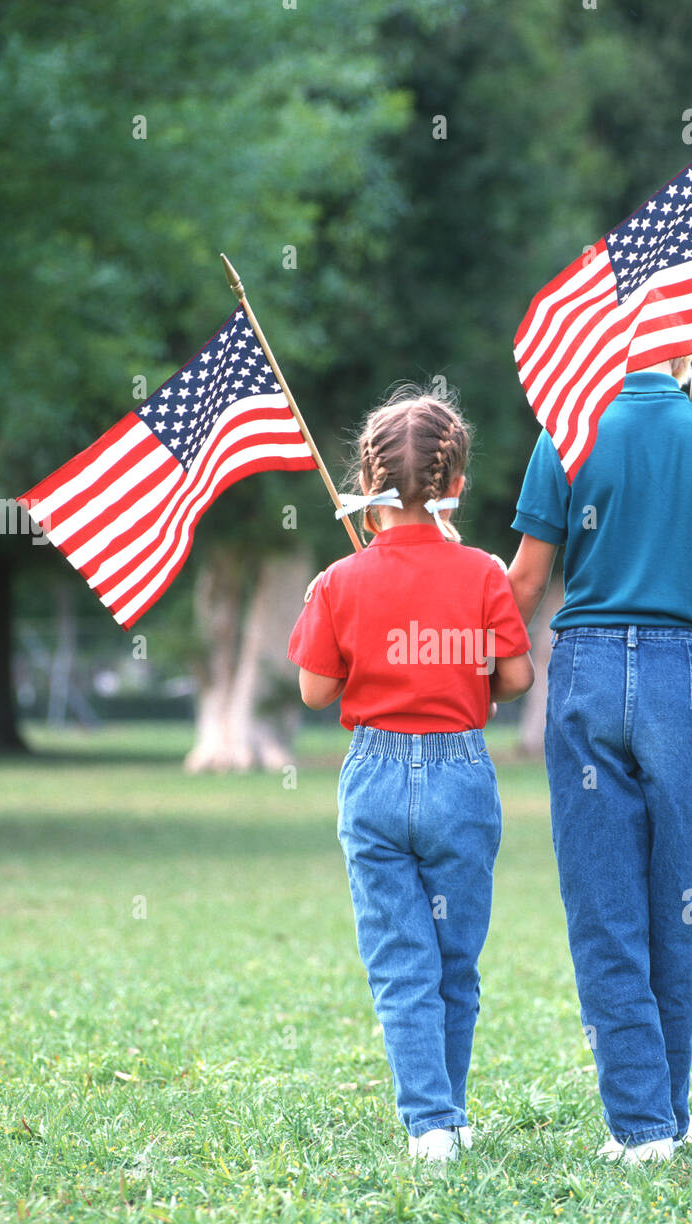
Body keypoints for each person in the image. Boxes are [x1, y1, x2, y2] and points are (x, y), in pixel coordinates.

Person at [506, 355, 692, 1165]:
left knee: (604, 902)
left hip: (587, 668)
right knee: (679, 897)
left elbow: (526, 581)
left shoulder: (566, 429)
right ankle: (668, 1107)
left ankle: (640, 1126)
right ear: (691, 348)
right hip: (679, 674)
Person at [288, 388, 534, 1163]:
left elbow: (315, 691)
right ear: (454, 486)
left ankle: (430, 1124)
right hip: (461, 772)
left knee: (401, 959)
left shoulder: (337, 580)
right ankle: (448, 1113)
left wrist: (332, 609)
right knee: (453, 958)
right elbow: (517, 679)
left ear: (365, 480)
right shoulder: (485, 572)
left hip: (374, 776)